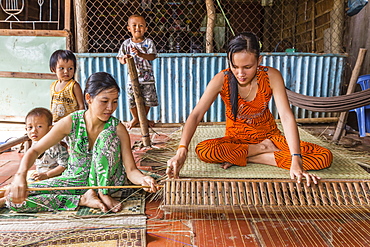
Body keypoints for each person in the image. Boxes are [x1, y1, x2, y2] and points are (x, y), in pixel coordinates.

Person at [166, 32, 333, 185]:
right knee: (204, 151)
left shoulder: (271, 76)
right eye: (235, 66)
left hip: (270, 137)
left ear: (259, 61)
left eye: (247, 67)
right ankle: (259, 151)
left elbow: (286, 116)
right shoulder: (221, 79)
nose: (240, 73)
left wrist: (296, 159)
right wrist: (181, 151)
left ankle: (243, 156)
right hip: (237, 141)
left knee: (323, 157)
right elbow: (196, 115)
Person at [2, 72, 158, 212]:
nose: (110, 108)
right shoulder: (72, 121)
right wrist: (20, 176)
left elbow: (131, 170)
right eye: (104, 101)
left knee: (106, 136)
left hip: (110, 184)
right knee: (15, 200)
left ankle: (101, 193)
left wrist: (143, 180)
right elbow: (34, 150)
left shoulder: (117, 128)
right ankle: (83, 200)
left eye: (115, 101)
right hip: (74, 181)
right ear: (88, 98)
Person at [117, 14, 159, 130]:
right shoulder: (126, 44)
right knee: (132, 100)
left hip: (147, 78)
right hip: (132, 79)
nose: (137, 28)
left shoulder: (149, 42)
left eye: (141, 26)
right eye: (134, 25)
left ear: (146, 29)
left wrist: (140, 54)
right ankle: (136, 118)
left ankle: (143, 118)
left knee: (148, 99)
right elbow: (120, 58)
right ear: (128, 28)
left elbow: (152, 56)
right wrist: (124, 58)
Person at [25, 107, 68, 181]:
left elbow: (64, 165)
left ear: (50, 129)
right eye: (30, 127)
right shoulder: (33, 144)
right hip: (39, 175)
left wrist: (47, 174)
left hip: (54, 177)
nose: (33, 131)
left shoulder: (54, 147)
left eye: (39, 126)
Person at [50, 50, 85, 123]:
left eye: (70, 68)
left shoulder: (74, 86)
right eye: (61, 68)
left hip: (71, 123)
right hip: (56, 123)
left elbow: (81, 106)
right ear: (53, 69)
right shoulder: (53, 86)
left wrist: (79, 122)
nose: (66, 71)